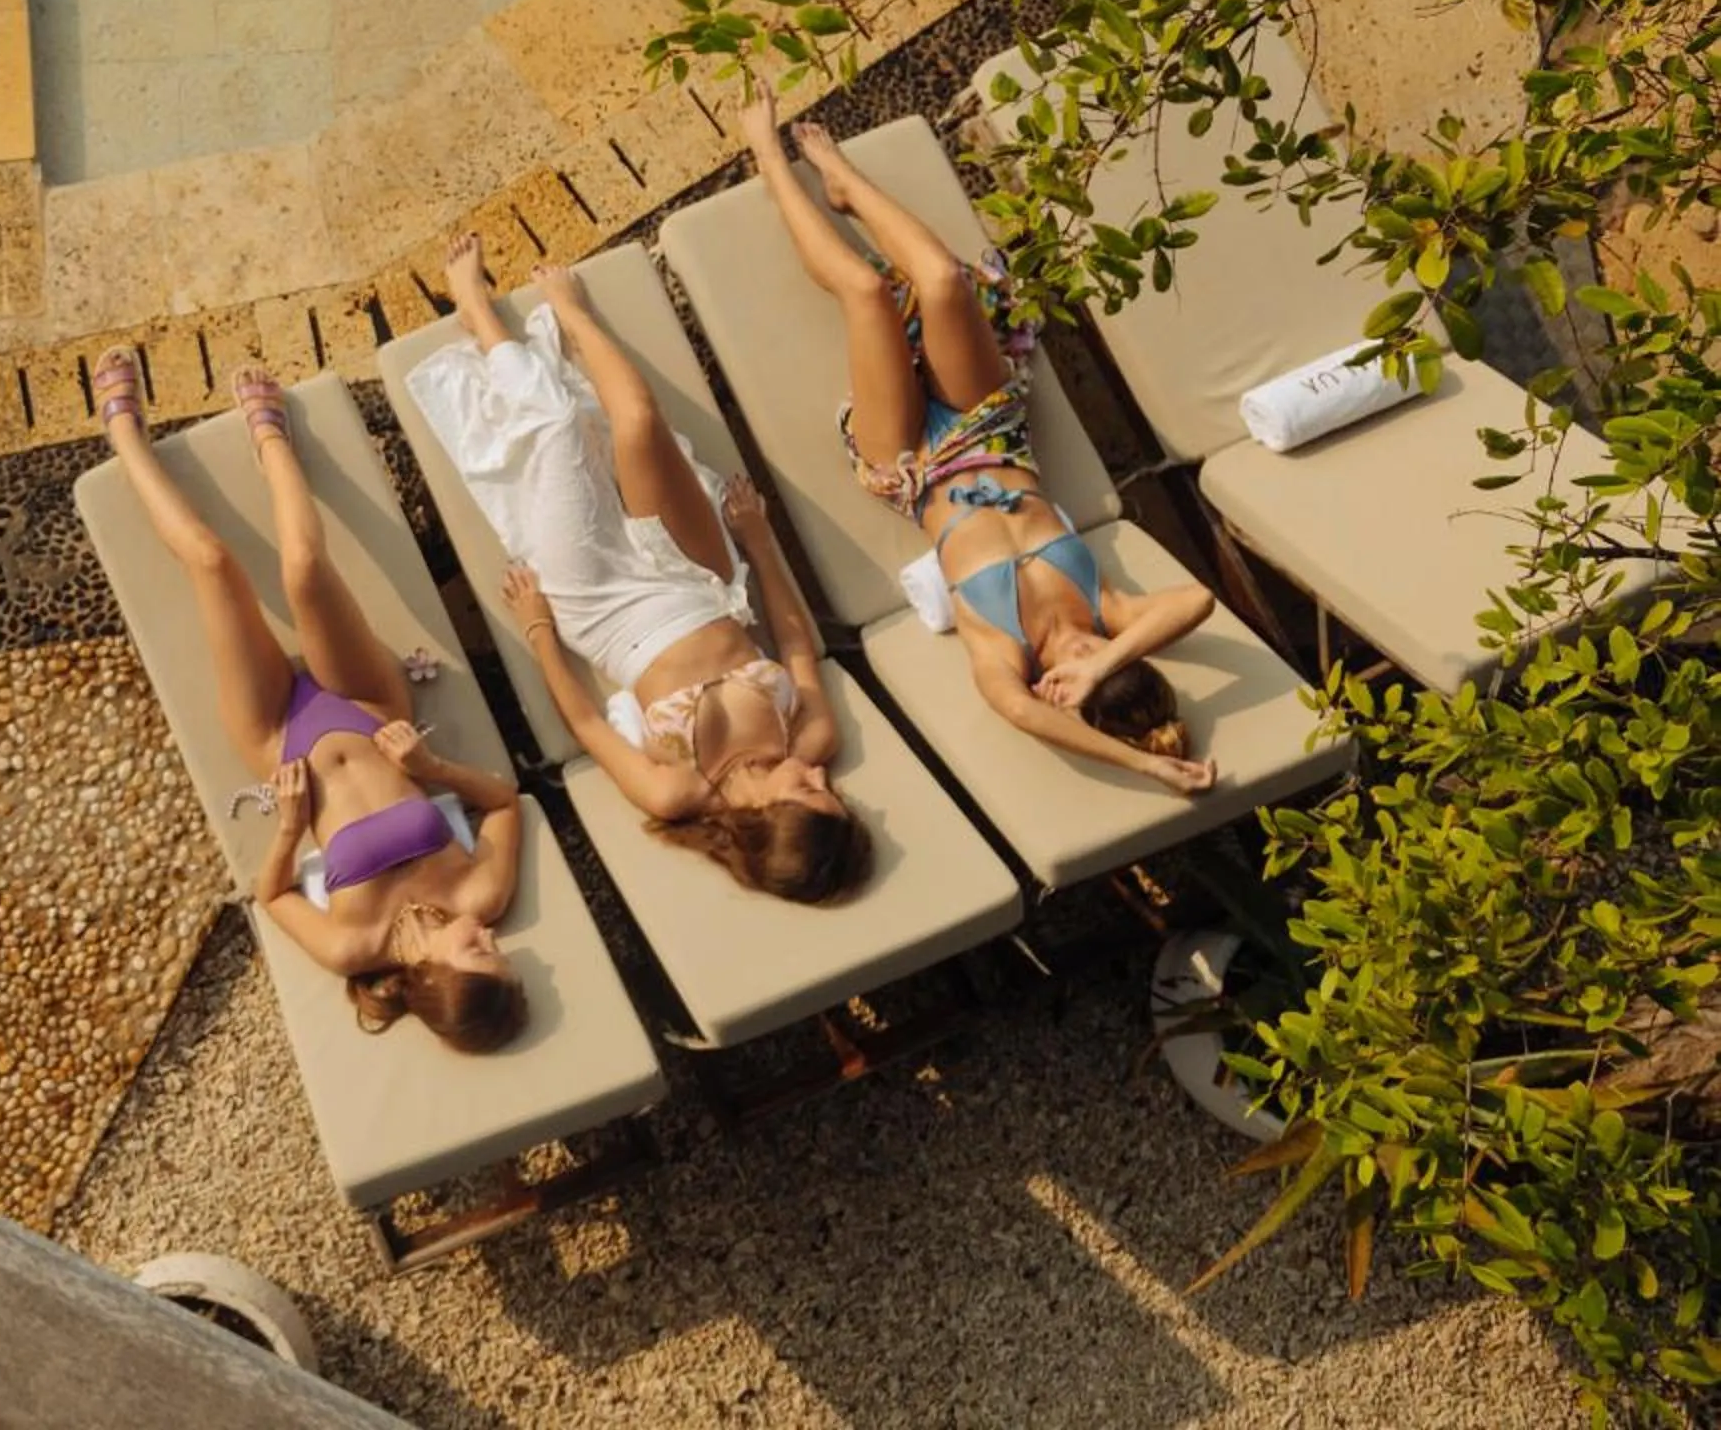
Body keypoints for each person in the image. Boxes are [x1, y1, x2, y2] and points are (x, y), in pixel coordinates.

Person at [740, 92, 1218, 794]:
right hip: (990, 428)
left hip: (910, 463)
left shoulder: (1002, 653)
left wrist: (1145, 763)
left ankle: (765, 159)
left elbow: (1024, 713)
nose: (1081, 652)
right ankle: (838, 175)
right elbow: (1195, 600)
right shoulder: (1106, 610)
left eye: (1078, 667)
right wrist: (1102, 659)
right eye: (1105, 655)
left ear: (1063, 691)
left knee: (867, 292)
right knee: (940, 282)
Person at [403, 234, 870, 904]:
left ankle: (477, 313)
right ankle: (573, 315)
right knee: (637, 423)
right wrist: (758, 541)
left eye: (811, 795)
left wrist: (539, 629)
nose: (823, 779)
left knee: (562, 427)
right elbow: (795, 640)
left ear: (765, 818)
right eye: (830, 794)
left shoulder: (677, 788)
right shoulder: (810, 737)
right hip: (702, 583)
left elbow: (588, 726)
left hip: (600, 609)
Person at [97, 349, 528, 1052]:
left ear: (437, 980)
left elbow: (273, 898)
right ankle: (270, 438)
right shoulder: (480, 897)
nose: (490, 937)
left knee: (211, 563)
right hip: (370, 707)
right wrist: (434, 769)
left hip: (277, 740)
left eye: (483, 954)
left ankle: (122, 437)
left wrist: (293, 827)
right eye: (499, 950)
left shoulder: (352, 948)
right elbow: (506, 802)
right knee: (302, 570)